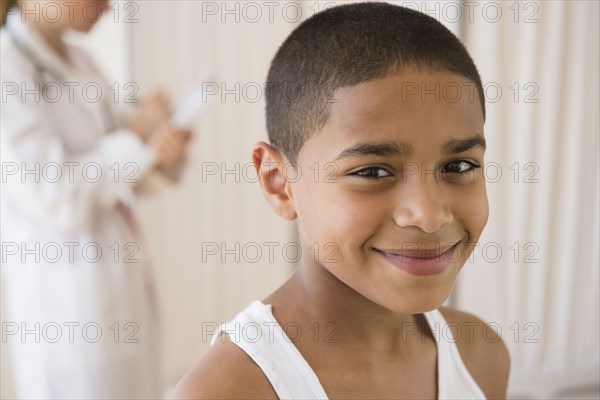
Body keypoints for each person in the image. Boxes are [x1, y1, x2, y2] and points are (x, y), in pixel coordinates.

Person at [173, 2, 510, 399]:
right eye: (372, 172)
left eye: (458, 166)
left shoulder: (481, 356)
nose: (429, 215)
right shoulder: (229, 391)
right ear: (280, 183)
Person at [0, 0, 191, 398]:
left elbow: (123, 163)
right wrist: (139, 139)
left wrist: (161, 144)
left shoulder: (82, 61)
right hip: (67, 314)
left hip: (122, 292)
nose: (109, 5)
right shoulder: (6, 67)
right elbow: (57, 196)